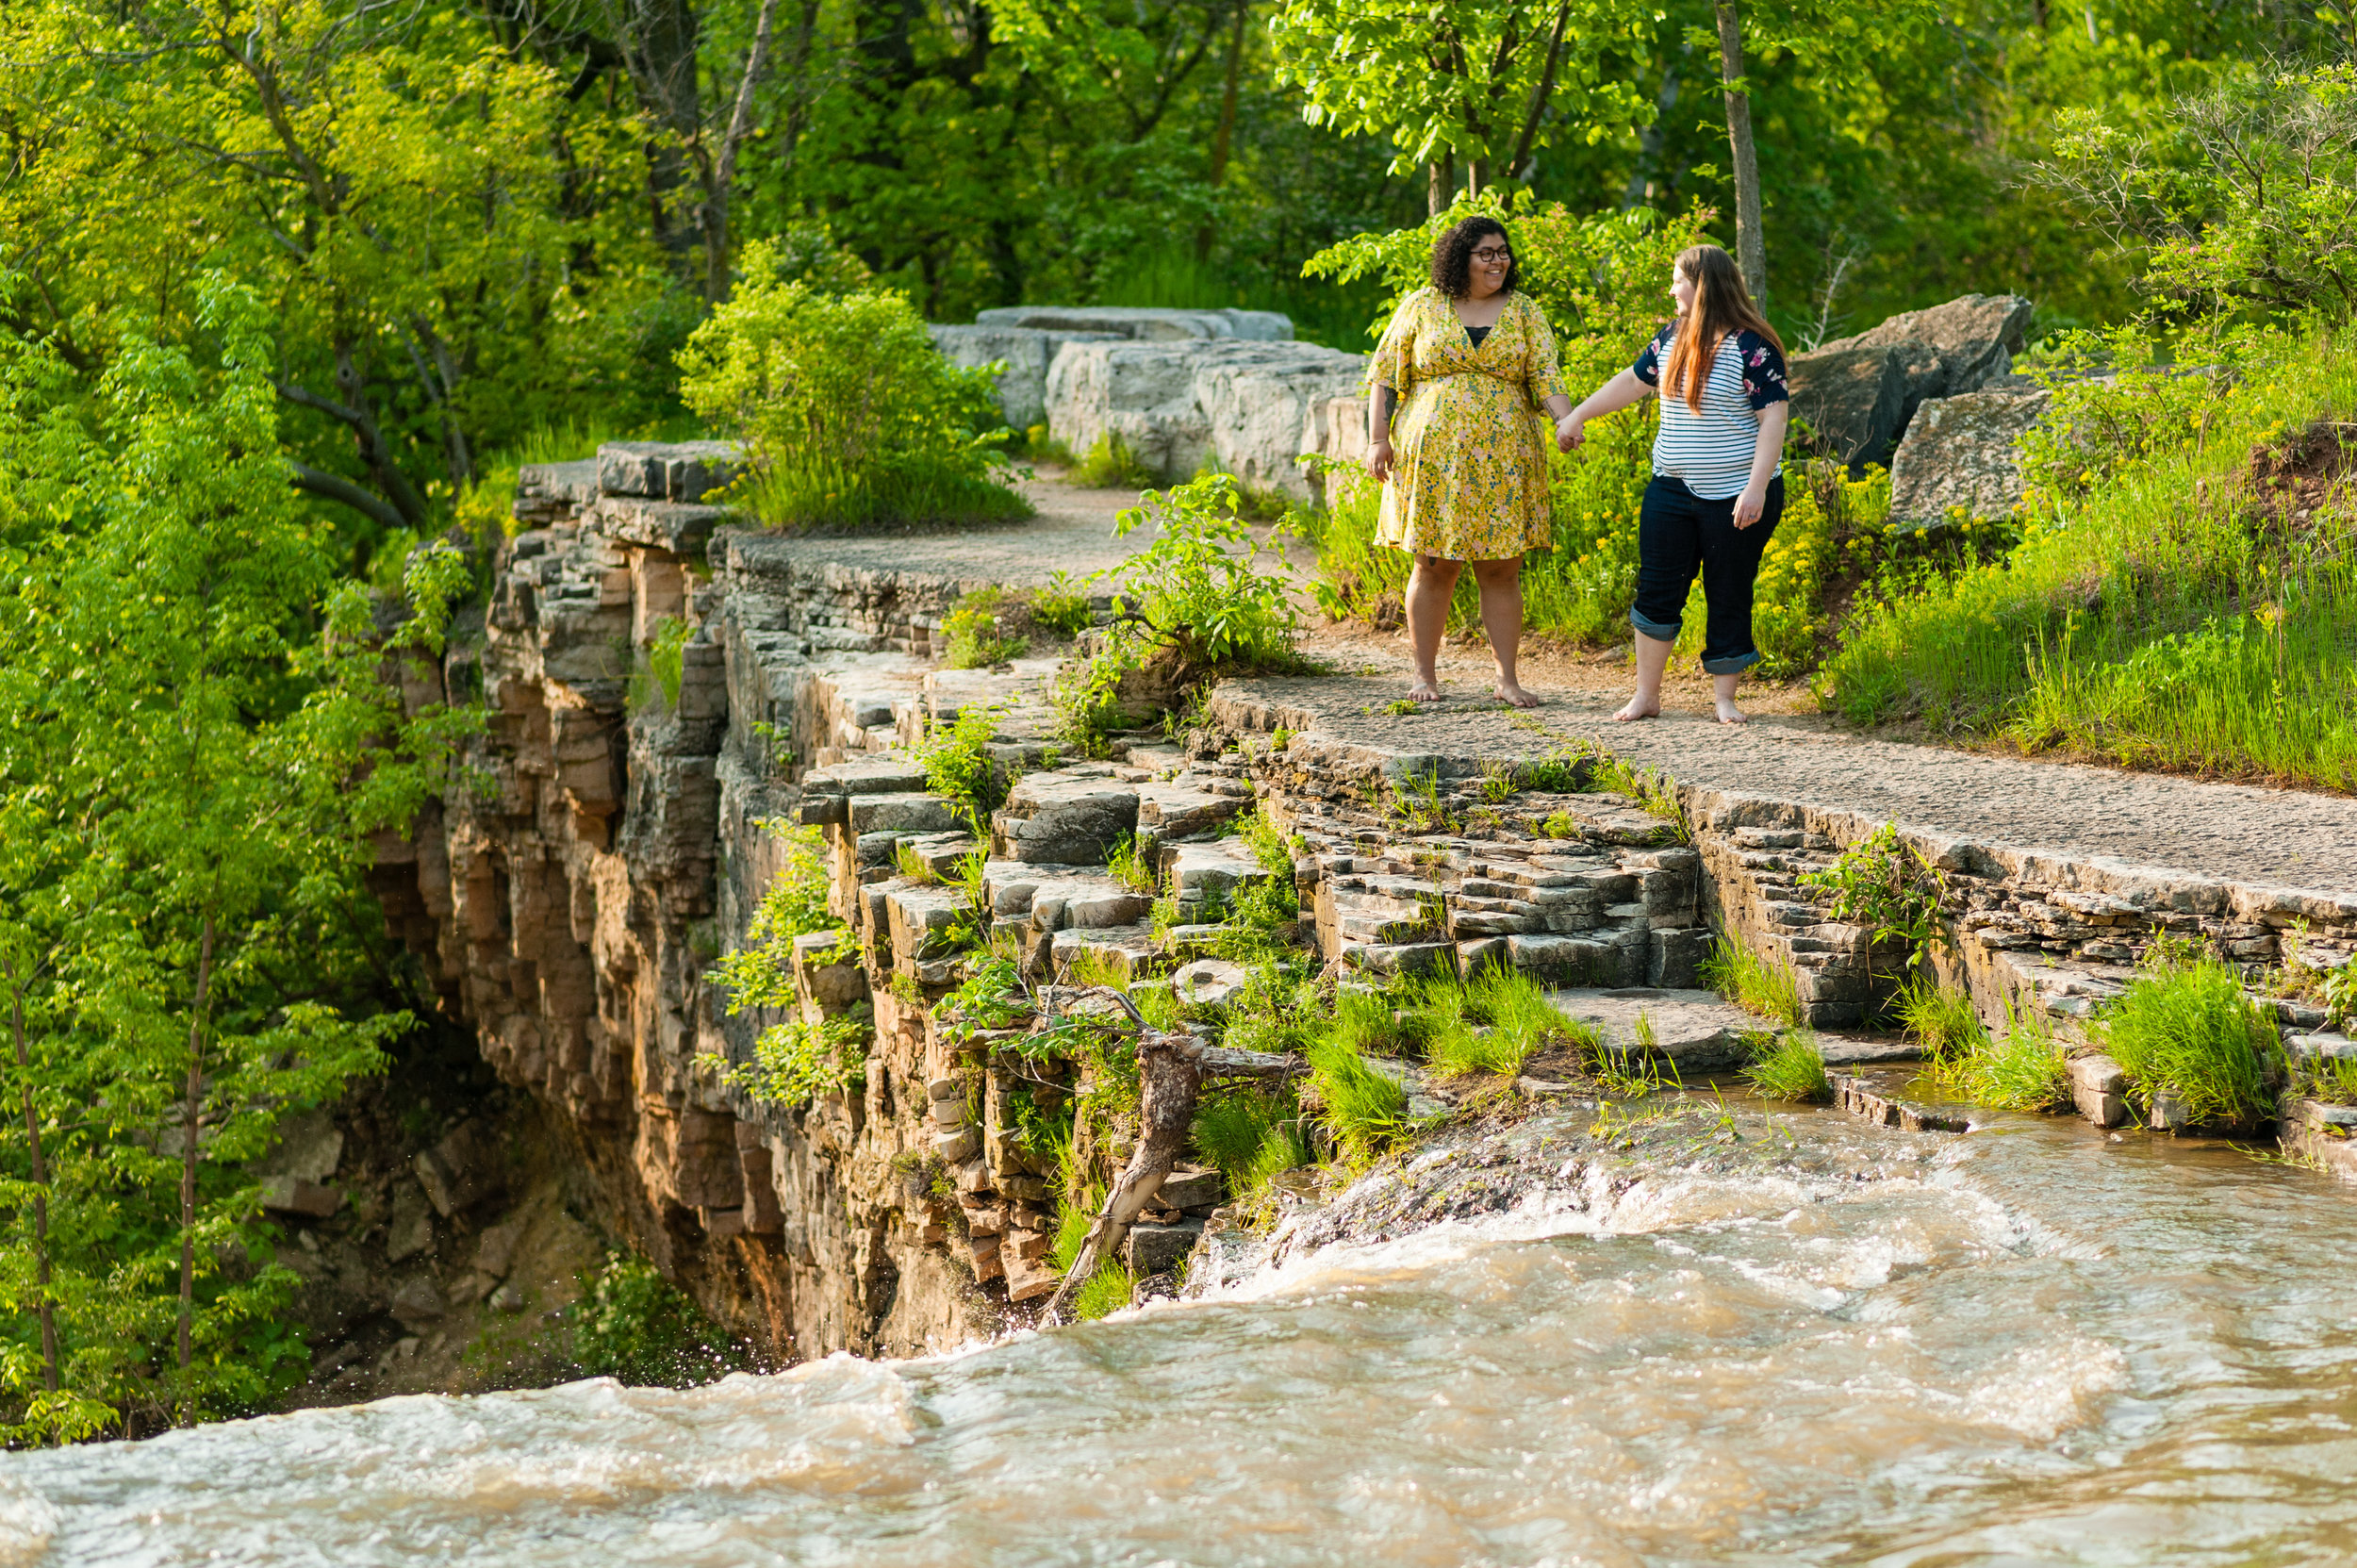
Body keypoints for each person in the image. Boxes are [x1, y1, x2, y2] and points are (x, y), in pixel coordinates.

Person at [1558, 243, 1790, 725]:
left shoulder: (1753, 347)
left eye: (1677, 279)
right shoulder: (1672, 338)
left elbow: (1774, 420)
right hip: (1672, 487)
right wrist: (1578, 415)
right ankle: (1646, 696)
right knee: (1658, 588)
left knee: (1728, 588)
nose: (1670, 288)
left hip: (1737, 493)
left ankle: (1724, 700)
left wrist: (1756, 487)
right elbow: (1630, 381)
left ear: (1701, 284)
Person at [1368, 215, 1580, 709]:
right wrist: (1378, 438)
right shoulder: (1422, 306)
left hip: (1506, 462)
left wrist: (1566, 422)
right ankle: (1424, 675)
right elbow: (1384, 376)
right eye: (1487, 252)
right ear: (1459, 257)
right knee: (1434, 563)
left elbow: (1547, 377)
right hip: (1434, 460)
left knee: (1503, 569)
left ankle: (1507, 679)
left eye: (1503, 252)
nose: (1498, 261)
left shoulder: (1525, 311)